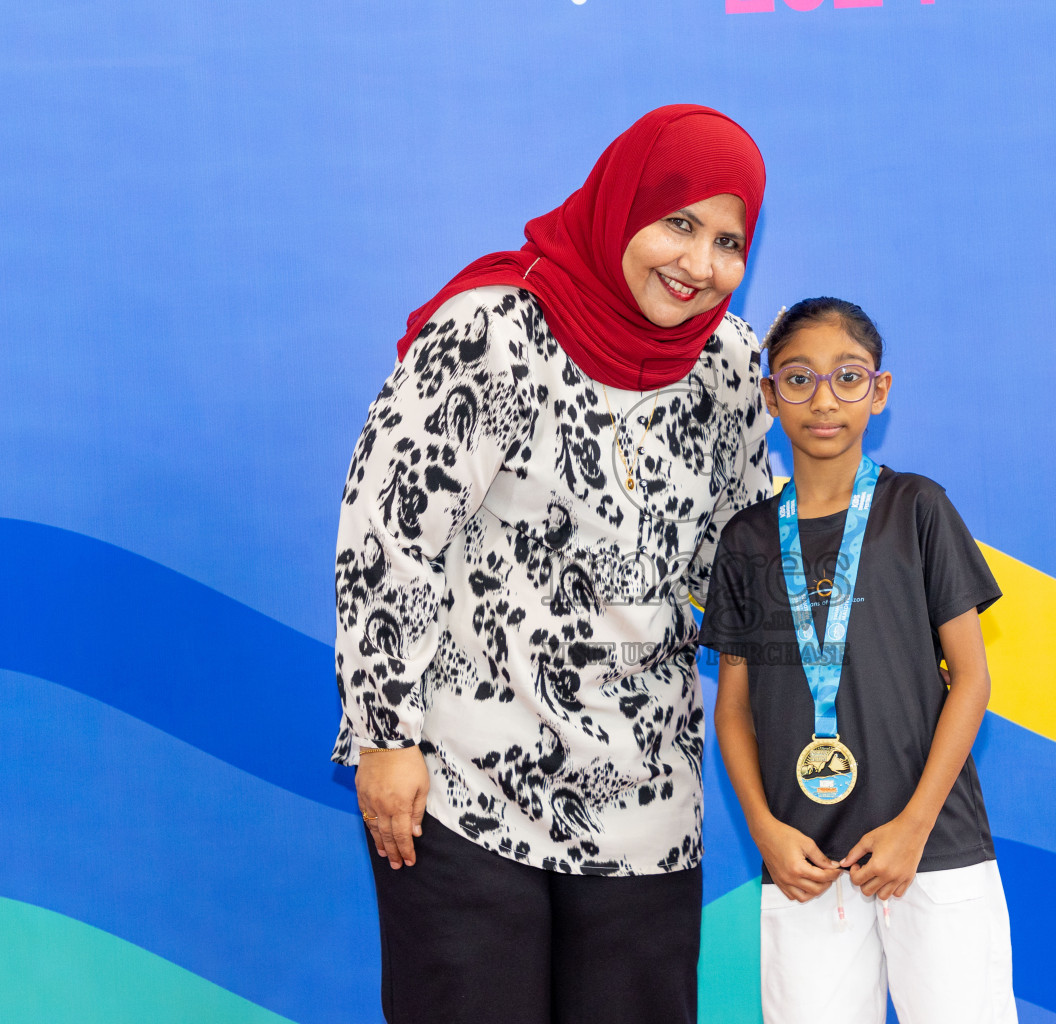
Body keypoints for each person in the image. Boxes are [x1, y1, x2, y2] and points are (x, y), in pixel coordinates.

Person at [332, 105, 773, 1024]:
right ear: (624, 208)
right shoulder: (495, 331)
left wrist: (855, 662)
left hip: (647, 797)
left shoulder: (729, 362)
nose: (699, 265)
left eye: (728, 241)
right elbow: (389, 537)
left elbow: (741, 556)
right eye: (678, 223)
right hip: (463, 785)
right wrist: (385, 736)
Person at [700, 297, 1018, 1024]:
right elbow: (734, 710)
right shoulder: (748, 542)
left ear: (879, 391)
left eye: (848, 377)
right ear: (770, 395)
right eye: (799, 379)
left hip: (931, 849)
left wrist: (912, 828)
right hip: (805, 862)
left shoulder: (916, 509)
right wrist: (766, 834)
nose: (824, 400)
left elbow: (971, 680)